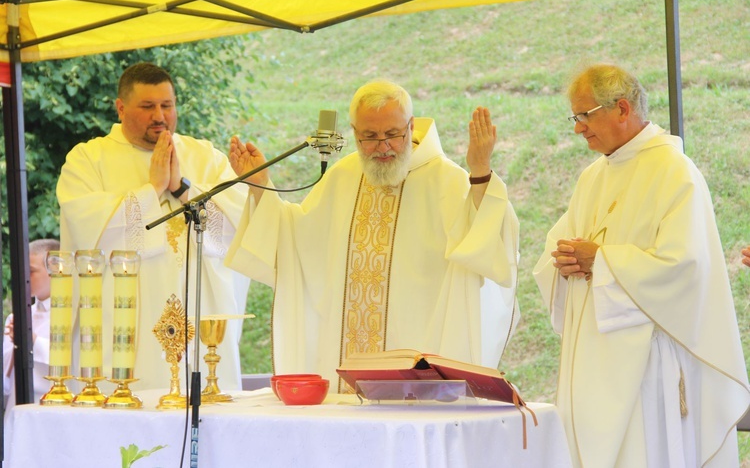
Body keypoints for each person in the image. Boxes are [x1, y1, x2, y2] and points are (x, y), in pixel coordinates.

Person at [225, 79, 520, 390]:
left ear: (410, 126)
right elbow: (294, 243)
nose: (383, 146)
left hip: (420, 367)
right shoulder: (343, 177)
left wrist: (480, 170)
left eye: (392, 134)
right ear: (354, 132)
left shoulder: (446, 181)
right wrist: (259, 185)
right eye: (370, 136)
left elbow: (487, 248)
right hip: (346, 369)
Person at [533, 63, 750, 467]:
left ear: (620, 108)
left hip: (647, 360)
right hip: (593, 355)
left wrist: (603, 261)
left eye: (585, 115)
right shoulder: (594, 176)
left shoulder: (673, 171)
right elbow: (566, 242)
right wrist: (560, 258)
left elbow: (685, 266)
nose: (578, 128)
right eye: (574, 118)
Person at [56, 62, 250, 393]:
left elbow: (240, 229)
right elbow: (86, 230)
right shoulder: (88, 159)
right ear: (120, 108)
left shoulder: (204, 155)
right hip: (126, 324)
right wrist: (151, 191)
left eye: (167, 105)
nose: (159, 116)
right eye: (147, 107)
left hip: (199, 321)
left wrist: (182, 189)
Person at [3, 239, 59, 408]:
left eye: (31, 271)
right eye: (22, 270)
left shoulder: (71, 316)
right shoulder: (16, 317)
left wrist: (32, 340)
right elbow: (5, 379)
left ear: (54, 270)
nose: (24, 277)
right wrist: (15, 347)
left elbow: (70, 360)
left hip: (51, 405)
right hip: (16, 405)